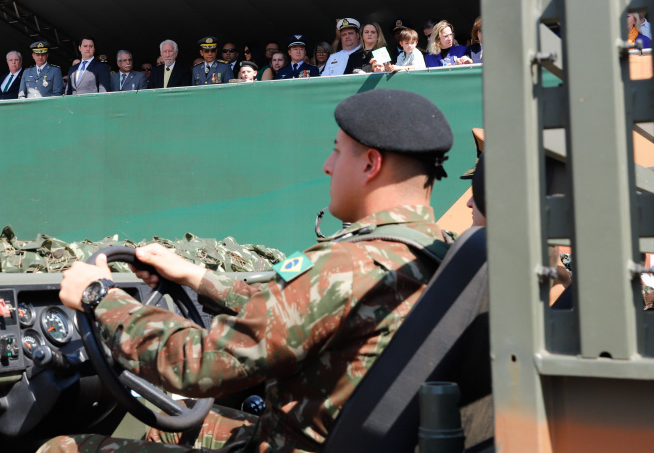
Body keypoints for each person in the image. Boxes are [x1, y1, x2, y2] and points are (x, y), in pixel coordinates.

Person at [43, 88, 454, 453]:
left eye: (337, 150)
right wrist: (196, 277)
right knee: (170, 427)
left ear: (370, 164)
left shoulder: (348, 265)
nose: (328, 165)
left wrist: (100, 297)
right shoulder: (432, 256)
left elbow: (199, 365)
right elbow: (298, 312)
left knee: (63, 448)